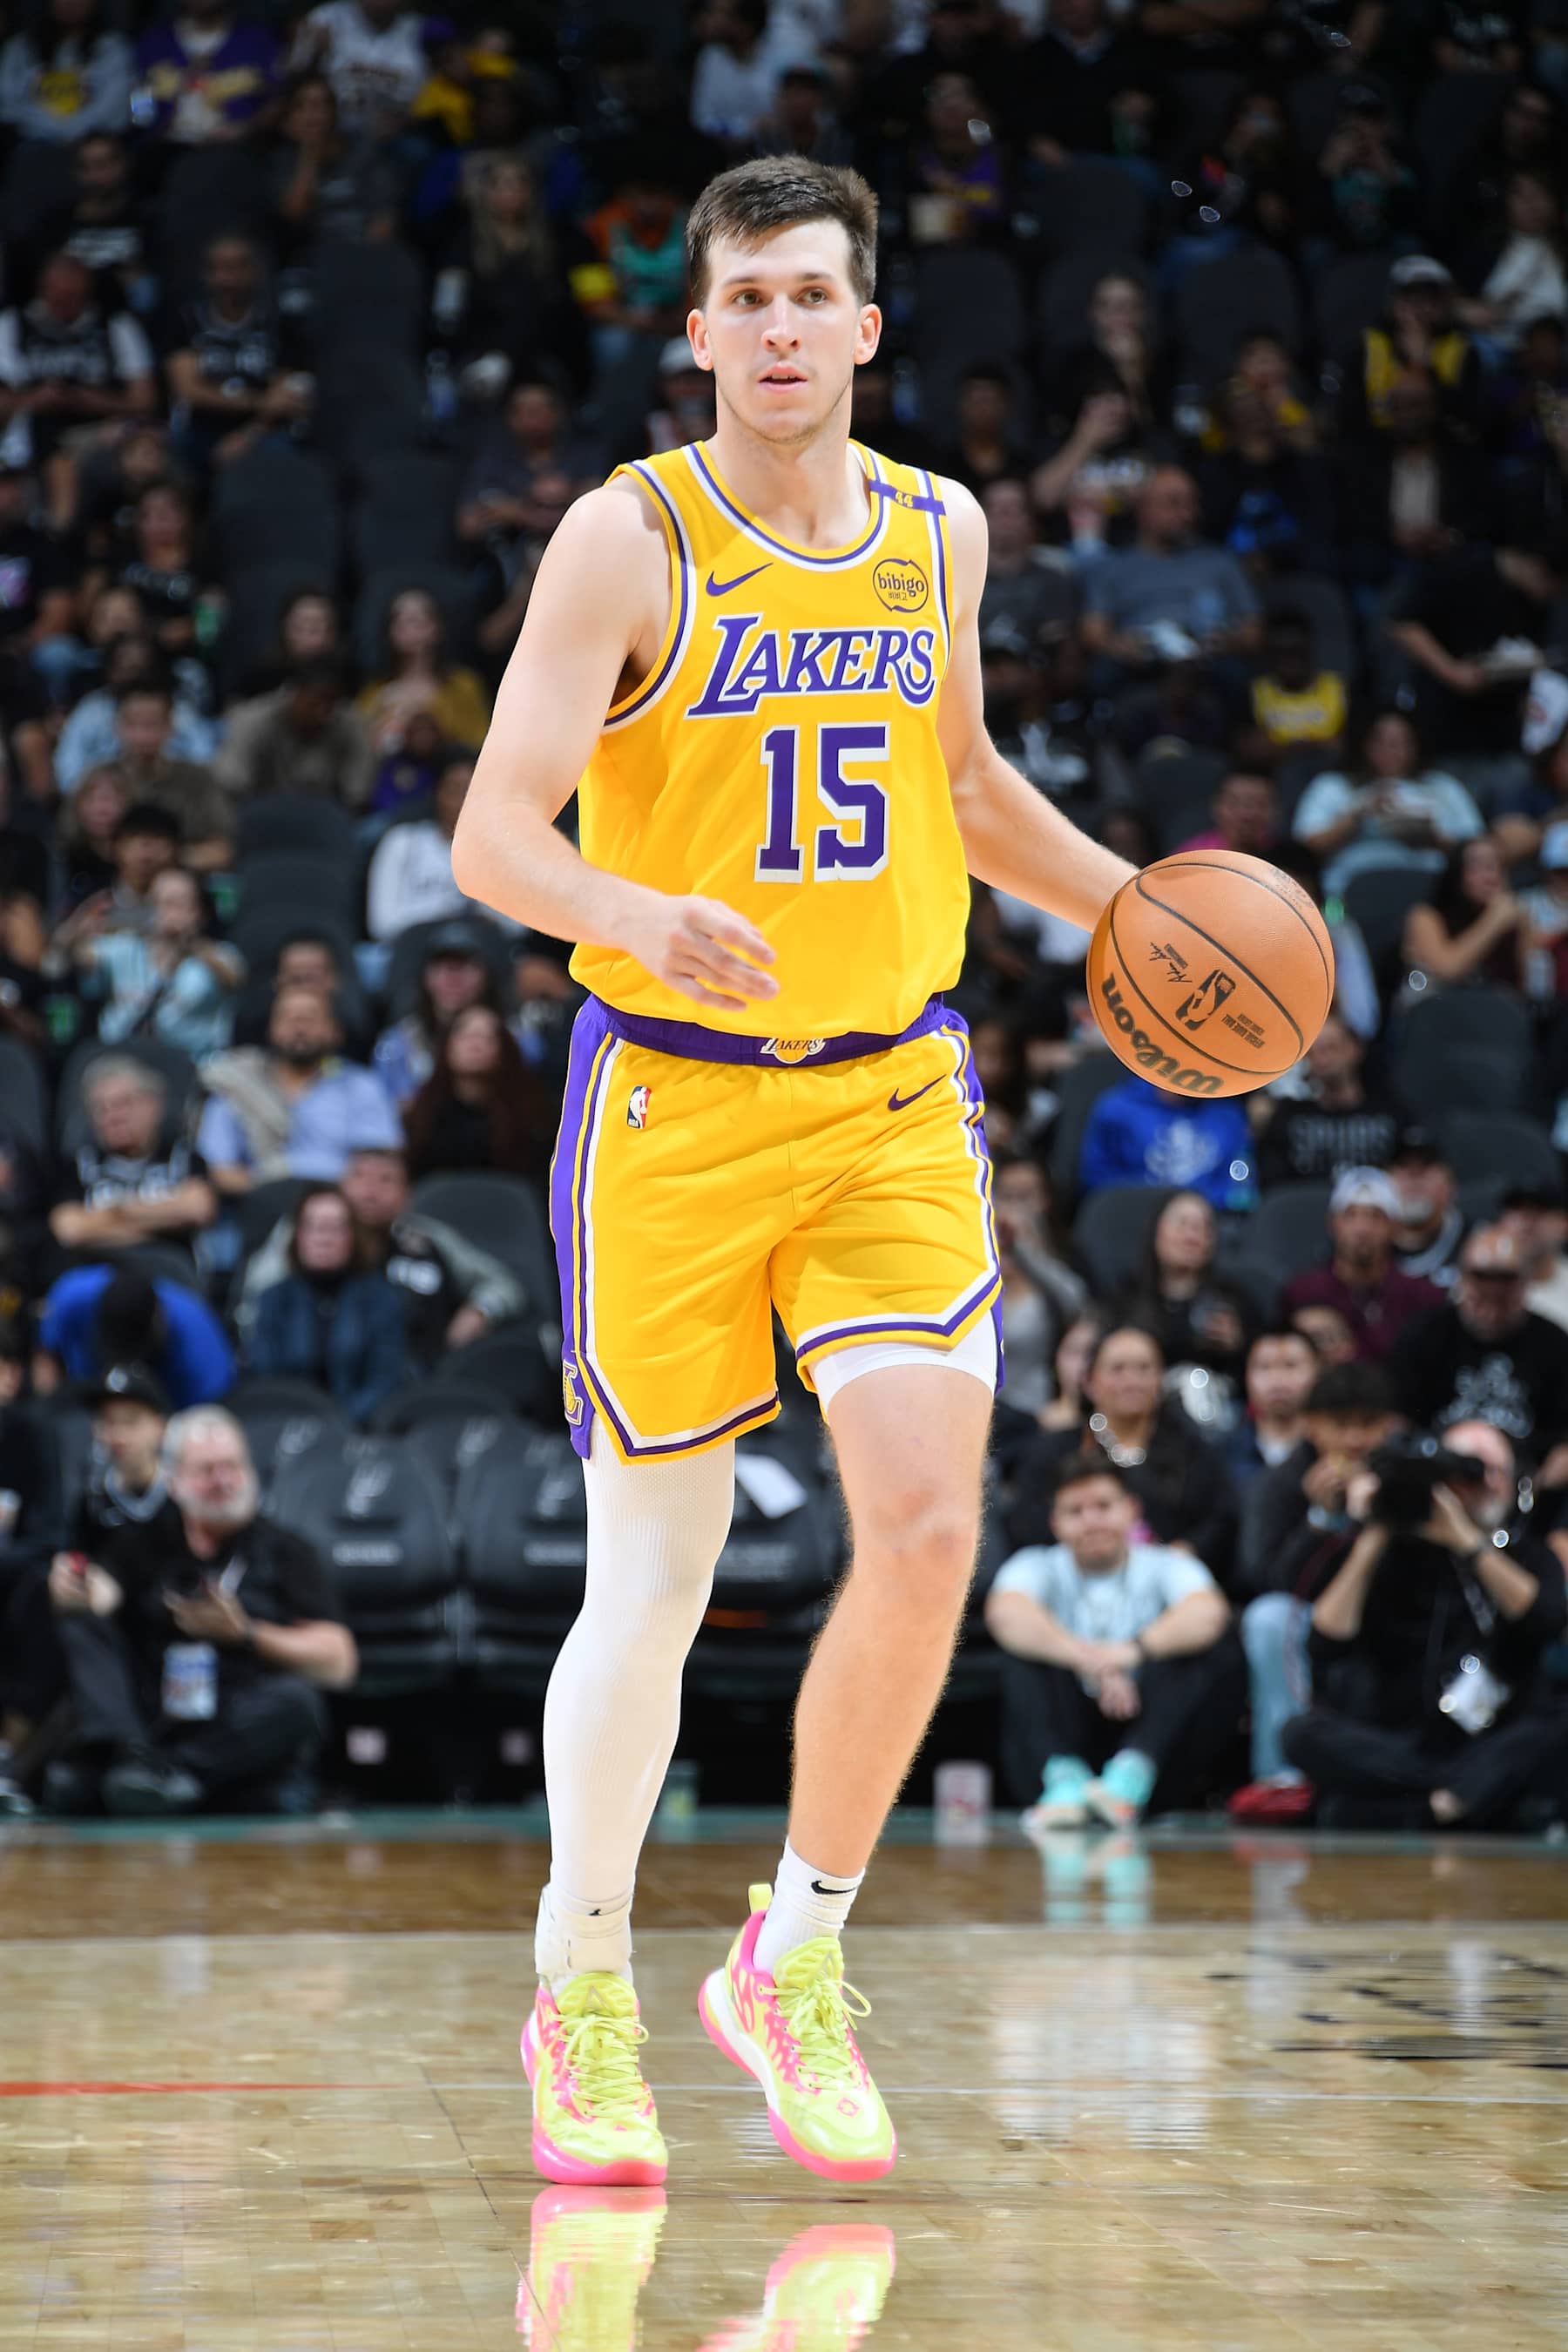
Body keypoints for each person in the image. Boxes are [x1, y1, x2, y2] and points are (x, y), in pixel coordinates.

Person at [449, 154, 1138, 2189]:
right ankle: (582, 1975)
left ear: (863, 325)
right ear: (697, 330)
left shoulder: (943, 528)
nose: (772, 329)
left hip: (889, 1098)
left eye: (807, 295)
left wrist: (1138, 922)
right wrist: (634, 911)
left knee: (928, 1524)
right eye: (738, 296)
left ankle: (793, 1953)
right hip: (666, 1099)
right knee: (648, 1588)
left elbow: (966, 782)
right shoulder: (625, 536)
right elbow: (498, 834)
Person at [44, 1406, 356, 1817]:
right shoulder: (146, 1540)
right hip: (154, 1715)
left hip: (232, 1722)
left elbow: (339, 1661)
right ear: (174, 1480)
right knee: (81, 1624)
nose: (223, 1481)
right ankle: (131, 1762)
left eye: (233, 1466)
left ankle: (160, 1778)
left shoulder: (286, 1551)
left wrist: (246, 1633)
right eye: (207, 1470)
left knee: (297, 1703)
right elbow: (102, 1595)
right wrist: (73, 1586)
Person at [1282, 1425, 1568, 1829]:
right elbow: (1324, 1643)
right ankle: (1453, 1804)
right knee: (1301, 1733)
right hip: (1400, 1742)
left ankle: (1404, 1811)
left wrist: (1467, 1542)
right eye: (1466, 1471)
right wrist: (1378, 1529)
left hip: (1493, 1737)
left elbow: (1545, 1620)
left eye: (1493, 1471)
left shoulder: (1525, 1552)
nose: (1482, 1484)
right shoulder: (1392, 1550)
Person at [986, 1458, 1240, 1831]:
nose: (1091, 1521)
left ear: (1131, 1511)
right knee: (1021, 1653)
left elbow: (1208, 1614)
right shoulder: (1036, 1564)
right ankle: (1064, 1782)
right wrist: (1091, 1661)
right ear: (1055, 1523)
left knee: (1213, 1647)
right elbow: (1005, 1616)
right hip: (1062, 1733)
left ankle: (1129, 1776)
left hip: (1153, 1742)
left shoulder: (1165, 1563)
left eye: (1103, 1506)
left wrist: (1130, 1653)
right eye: (1075, 1511)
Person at [1228, 1361, 1400, 1822]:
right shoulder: (1281, 1484)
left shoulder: (1407, 1477)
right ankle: (1283, 1779)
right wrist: (1320, 1521)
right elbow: (1265, 1577)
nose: (1355, 1440)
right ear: (1311, 1425)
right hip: (1311, 1622)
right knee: (1267, 1617)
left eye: (1369, 1425)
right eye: (1341, 1425)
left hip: (1391, 1619)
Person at [235, 1144, 524, 1364]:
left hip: (423, 1375)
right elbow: (256, 1301)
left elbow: (504, 1284)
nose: (370, 1192)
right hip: (326, 1375)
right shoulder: (308, 1232)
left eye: (386, 1180)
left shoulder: (428, 1239)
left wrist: (479, 1312)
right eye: (359, 1178)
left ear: (407, 1195)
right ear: (340, 1187)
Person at [1006, 1323, 1238, 1577]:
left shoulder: (1193, 1450)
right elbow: (1028, 1524)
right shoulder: (1054, 1451)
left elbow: (1219, 1521)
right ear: (1089, 1381)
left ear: (1160, 1379)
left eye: (1144, 1369)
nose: (1131, 1381)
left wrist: (1182, 1555)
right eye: (1117, 1369)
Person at [0, 251, 156, 532]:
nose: (65, 306)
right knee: (46, 435)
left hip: (100, 434)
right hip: (27, 432)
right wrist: (36, 399)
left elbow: (145, 399)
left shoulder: (115, 326)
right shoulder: (13, 325)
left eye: (74, 298)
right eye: (58, 297)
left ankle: (63, 531)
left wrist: (95, 402)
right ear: (43, 290)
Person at [199, 983, 401, 1193]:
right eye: (288, 1018)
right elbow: (219, 1171)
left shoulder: (362, 1087)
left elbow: (380, 1164)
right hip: (257, 1206)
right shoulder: (237, 1083)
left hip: (343, 1208)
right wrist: (276, 1191)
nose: (299, 1027)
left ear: (334, 1031)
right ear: (271, 1029)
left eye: (311, 1018)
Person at [1389, 1225, 1568, 1452]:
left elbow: (1563, 1441)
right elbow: (1397, 1422)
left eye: (1502, 1302)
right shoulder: (1423, 1336)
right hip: (1437, 1467)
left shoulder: (1554, 1344)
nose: (1491, 1315)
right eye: (1481, 1300)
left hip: (1527, 1476)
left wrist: (1539, 1482)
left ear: (1525, 1287)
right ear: (1461, 1283)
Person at [1079, 466, 1263, 685]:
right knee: (1102, 675)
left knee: (1237, 675)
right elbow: (1092, 632)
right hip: (1138, 665)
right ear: (1143, 508)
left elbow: (1254, 630)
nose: (1188, 514)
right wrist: (1118, 646)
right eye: (1173, 503)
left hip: (1207, 664)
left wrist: (1229, 642)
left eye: (1192, 503)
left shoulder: (1221, 562)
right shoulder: (1112, 567)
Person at [247, 1183, 408, 1423]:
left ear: (352, 1236)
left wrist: (341, 1424)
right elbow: (265, 1377)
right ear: (297, 1236)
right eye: (314, 1227)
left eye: (335, 1228)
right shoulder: (273, 1299)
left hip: (363, 1430)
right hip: (285, 1427)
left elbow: (384, 1382)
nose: (324, 1238)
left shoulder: (381, 1299)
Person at [1292, 711, 1483, 900]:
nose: (1391, 750)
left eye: (1401, 743)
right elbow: (1304, 849)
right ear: (1365, 744)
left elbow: (1478, 847)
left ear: (1416, 746)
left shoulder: (1443, 786)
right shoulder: (1334, 786)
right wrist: (1357, 816)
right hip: (1350, 887)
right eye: (1381, 742)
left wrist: (1433, 837)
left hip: (1430, 887)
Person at [49, 1054, 215, 1267]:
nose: (113, 1117)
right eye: (102, 1109)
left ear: (154, 1106)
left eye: (123, 1104)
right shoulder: (79, 1165)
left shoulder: (182, 1156)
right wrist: (165, 1225)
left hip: (169, 1273)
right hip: (99, 1274)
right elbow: (70, 1230)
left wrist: (113, 1214)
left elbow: (198, 1208)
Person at [77, 864, 241, 1063]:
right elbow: (61, 961)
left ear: (199, 912)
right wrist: (78, 927)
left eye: (180, 904)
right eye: (162, 903)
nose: (170, 914)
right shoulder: (125, 947)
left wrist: (188, 946)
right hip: (125, 1063)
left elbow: (236, 979)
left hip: (196, 1065)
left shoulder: (217, 953)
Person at [1283, 1167, 1445, 1364]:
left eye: (1375, 1216)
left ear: (1395, 1227)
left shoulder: (1423, 1298)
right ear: (1333, 1224)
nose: (1362, 1229)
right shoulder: (1302, 1294)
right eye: (1350, 1215)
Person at [37, 1265, 234, 1407]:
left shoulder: (200, 1348)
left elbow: (203, 1421)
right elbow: (46, 1362)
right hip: (84, 1390)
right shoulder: (72, 1297)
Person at [1114, 1188, 1254, 1387]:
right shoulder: (1125, 1297)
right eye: (1181, 1225)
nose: (1191, 1236)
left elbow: (1257, 1365)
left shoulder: (1233, 1300)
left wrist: (1237, 1346)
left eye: (1202, 1228)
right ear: (1156, 1232)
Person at [402, 1003, 552, 1185]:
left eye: (487, 1038)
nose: (475, 1045)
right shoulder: (422, 1112)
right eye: (465, 1036)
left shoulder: (529, 1116)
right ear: (446, 1047)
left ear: (504, 1049)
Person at [989, 1153, 1089, 1416]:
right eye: (1007, 1196)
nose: (1015, 1208)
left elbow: (1075, 1299)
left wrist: (1022, 1247)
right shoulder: (980, 1281)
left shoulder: (1054, 1278)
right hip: (980, 1412)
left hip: (1033, 1416)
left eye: (1025, 1197)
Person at [1256, 1015, 1402, 1188]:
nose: (1322, 1059)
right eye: (1313, 1052)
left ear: (1355, 1049)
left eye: (1331, 1048)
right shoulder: (1289, 1116)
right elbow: (1272, 1184)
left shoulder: (1389, 1111)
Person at [371, 923, 510, 1106]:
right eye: (442, 966)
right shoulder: (395, 1047)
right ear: (425, 977)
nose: (453, 979)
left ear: (486, 976)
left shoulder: (515, 1041)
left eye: (464, 965)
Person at [366, 754, 498, 941]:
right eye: (455, 791)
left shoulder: (500, 850)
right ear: (436, 793)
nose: (464, 802)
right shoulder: (403, 841)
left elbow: (516, 927)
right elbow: (381, 925)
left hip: (478, 951)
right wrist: (441, 918)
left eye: (473, 792)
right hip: (410, 950)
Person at [1078, 1071, 1254, 1211]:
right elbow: (1097, 1178)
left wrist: (1195, 1207)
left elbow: (1240, 1188)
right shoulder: (1117, 1108)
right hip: (1133, 1218)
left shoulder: (1228, 1115)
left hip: (1208, 1221)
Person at [105, 679, 233, 870]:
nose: (143, 734)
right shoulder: (98, 779)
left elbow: (222, 850)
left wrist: (165, 858)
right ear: (118, 726)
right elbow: (74, 842)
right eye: (134, 724)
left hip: (182, 885)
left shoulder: (197, 779)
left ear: (170, 726)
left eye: (152, 724)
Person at [213, 659, 375, 807]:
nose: (322, 713)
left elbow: (358, 792)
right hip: (260, 818)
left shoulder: (349, 723)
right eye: (314, 703)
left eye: (330, 704)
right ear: (292, 694)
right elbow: (229, 783)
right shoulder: (253, 720)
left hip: (327, 820)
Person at [356, 588, 490, 759]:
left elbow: (480, 742)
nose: (410, 629)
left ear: (436, 627)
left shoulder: (464, 685)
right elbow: (359, 750)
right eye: (401, 621)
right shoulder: (375, 692)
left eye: (418, 620)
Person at [1400, 835, 1531, 997]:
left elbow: (1530, 981)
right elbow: (1448, 969)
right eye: (1478, 867)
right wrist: (1494, 921)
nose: (1491, 877)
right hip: (1433, 1010)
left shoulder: (1512, 916)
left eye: (1497, 866)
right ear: (1456, 872)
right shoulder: (1425, 916)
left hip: (1492, 1010)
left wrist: (1523, 929)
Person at [135, 0, 279, 146]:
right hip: (165, 148)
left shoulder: (257, 40)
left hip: (237, 148)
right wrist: (148, 128)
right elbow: (138, 99)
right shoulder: (154, 40)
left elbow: (277, 101)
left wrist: (248, 128)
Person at [0, 0, 132, 145]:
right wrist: (54, 130)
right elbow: (8, 106)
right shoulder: (18, 48)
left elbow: (119, 109)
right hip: (30, 142)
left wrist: (75, 131)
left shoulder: (115, 48)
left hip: (96, 145)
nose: (71, 3)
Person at [1223, 1326, 1318, 1494]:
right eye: (1264, 1367)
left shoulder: (1328, 1451)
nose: (1278, 1381)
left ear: (1319, 1371)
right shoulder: (1223, 1455)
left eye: (1291, 1366)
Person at [1498, 1181, 1568, 1333]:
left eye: (1540, 1210)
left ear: (1564, 1224)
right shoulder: (1477, 1280)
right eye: (1516, 1208)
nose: (1526, 1221)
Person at [1174, 769, 1281, 859]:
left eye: (1259, 804)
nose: (1245, 815)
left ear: (1275, 810)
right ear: (1216, 807)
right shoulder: (1190, 857)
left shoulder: (1285, 859)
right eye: (1234, 804)